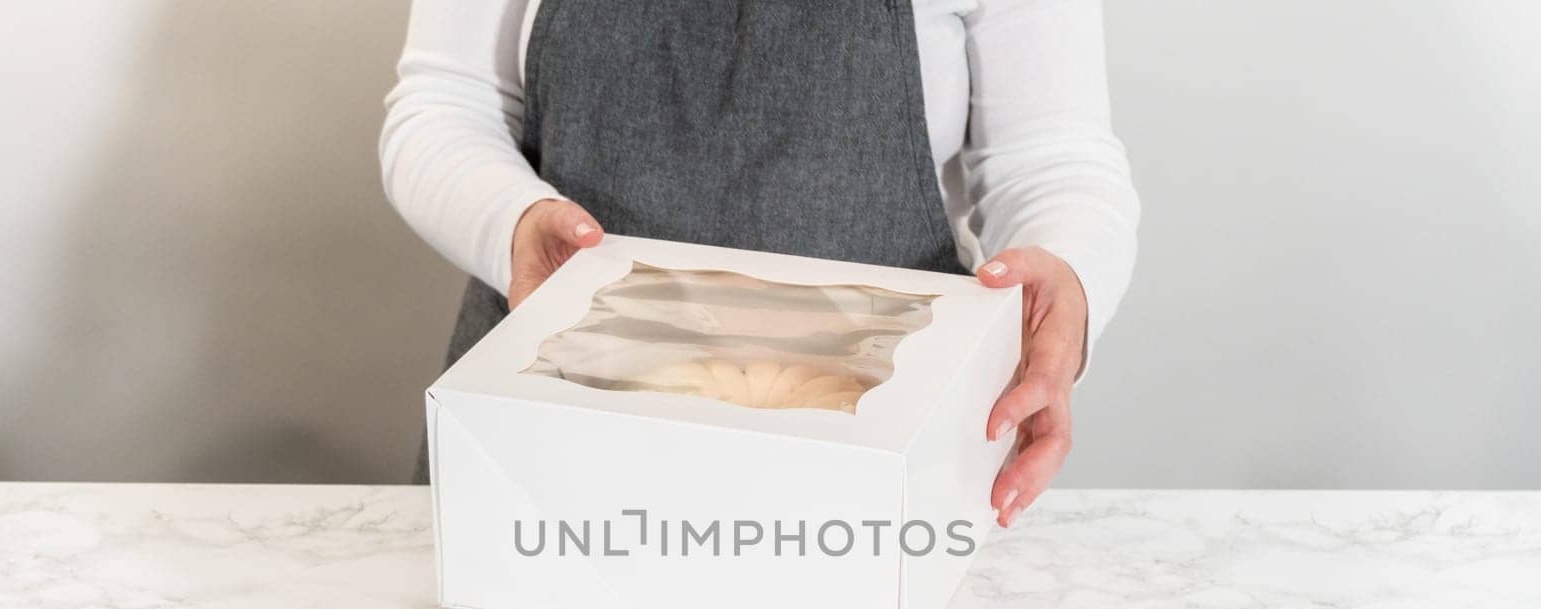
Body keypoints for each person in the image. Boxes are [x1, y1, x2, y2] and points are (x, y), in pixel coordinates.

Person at [381, 0, 1138, 526]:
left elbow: (1050, 160)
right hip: (542, 443)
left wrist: (1068, 279)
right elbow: (445, 105)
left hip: (872, 466)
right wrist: (512, 225)